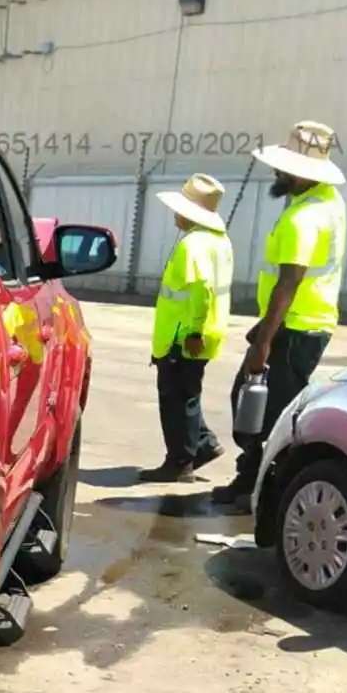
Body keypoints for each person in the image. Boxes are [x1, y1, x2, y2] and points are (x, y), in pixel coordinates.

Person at [212, 121, 347, 509]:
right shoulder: (327, 201)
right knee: (258, 403)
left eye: (283, 167)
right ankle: (253, 477)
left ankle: (259, 489)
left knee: (263, 411)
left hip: (294, 328)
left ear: (300, 172)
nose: (277, 173)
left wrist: (264, 342)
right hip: (304, 323)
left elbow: (289, 281)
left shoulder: (303, 218)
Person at [140, 173, 234, 482]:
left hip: (184, 337)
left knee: (176, 399)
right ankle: (203, 444)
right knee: (188, 395)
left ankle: (179, 462)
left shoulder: (193, 245)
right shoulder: (219, 242)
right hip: (204, 334)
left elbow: (202, 292)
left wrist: (193, 331)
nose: (175, 215)